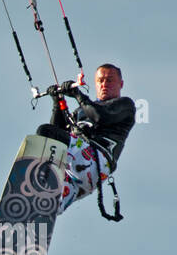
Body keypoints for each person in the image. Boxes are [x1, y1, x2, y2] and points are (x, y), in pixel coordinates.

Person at [36, 64, 136, 212]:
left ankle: (40, 179)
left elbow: (101, 117)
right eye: (100, 80)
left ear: (120, 84)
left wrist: (78, 94)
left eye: (109, 80)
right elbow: (57, 134)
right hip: (78, 177)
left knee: (44, 131)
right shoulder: (82, 111)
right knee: (48, 206)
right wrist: (57, 102)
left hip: (95, 161)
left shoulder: (125, 105)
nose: (104, 84)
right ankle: (34, 215)